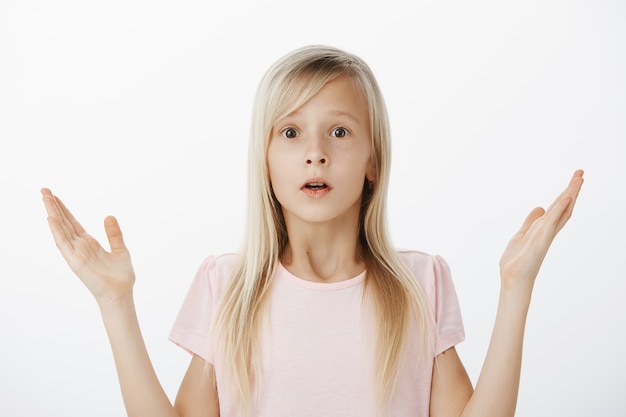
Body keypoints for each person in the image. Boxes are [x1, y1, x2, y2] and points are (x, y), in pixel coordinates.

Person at [41, 45, 584, 417]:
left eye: (340, 131)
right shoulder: (225, 284)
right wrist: (115, 303)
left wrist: (516, 289)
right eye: (292, 132)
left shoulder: (423, 282)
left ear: (373, 159)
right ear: (266, 160)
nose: (316, 153)